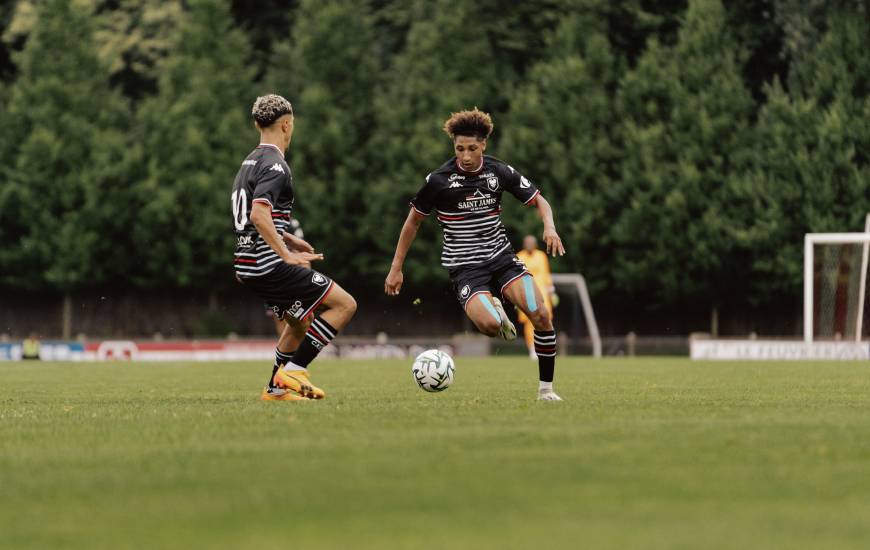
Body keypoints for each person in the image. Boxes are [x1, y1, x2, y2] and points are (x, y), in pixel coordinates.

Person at [385, 108, 566, 401]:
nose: (465, 155)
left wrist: (550, 227)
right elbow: (412, 223)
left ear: (483, 145)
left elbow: (540, 201)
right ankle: (495, 309)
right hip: (466, 268)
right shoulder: (438, 181)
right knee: (490, 326)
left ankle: (546, 390)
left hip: (503, 260)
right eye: (459, 149)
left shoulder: (499, 171)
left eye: (471, 148)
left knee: (541, 314)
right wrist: (396, 268)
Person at [232, 94, 357, 401]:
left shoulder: (249, 161)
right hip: (269, 266)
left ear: (257, 124)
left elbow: (253, 217)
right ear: (287, 125)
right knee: (345, 305)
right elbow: (258, 214)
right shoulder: (276, 165)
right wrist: (286, 254)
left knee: (300, 321)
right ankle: (295, 370)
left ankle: (275, 388)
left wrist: (287, 236)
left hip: (247, 263)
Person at [515, 235, 558, 359]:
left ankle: (547, 347)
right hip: (526, 294)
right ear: (524, 244)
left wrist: (551, 291)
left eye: (531, 243)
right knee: (529, 323)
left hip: (542, 293)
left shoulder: (541, 256)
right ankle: (532, 349)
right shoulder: (519, 257)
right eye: (527, 242)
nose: (529, 245)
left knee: (546, 319)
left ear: (535, 244)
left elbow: (546, 274)